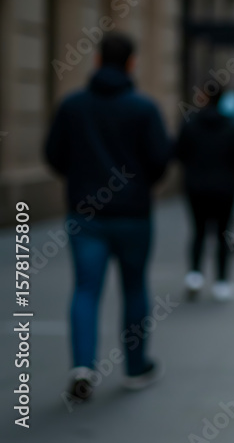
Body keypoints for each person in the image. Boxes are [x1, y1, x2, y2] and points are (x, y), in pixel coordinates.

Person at [44, 32, 171, 403]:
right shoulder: (144, 109)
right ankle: (135, 367)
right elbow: (160, 159)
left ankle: (82, 366)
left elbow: (53, 155)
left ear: (97, 61)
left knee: (85, 288)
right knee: (134, 289)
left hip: (86, 215)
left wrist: (82, 177)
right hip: (133, 216)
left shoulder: (73, 106)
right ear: (131, 63)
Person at [175, 87, 234, 301]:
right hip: (224, 188)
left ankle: (194, 275)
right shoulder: (233, 128)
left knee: (198, 230)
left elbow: (179, 152)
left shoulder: (190, 125)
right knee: (223, 234)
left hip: (196, 187)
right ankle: (221, 282)